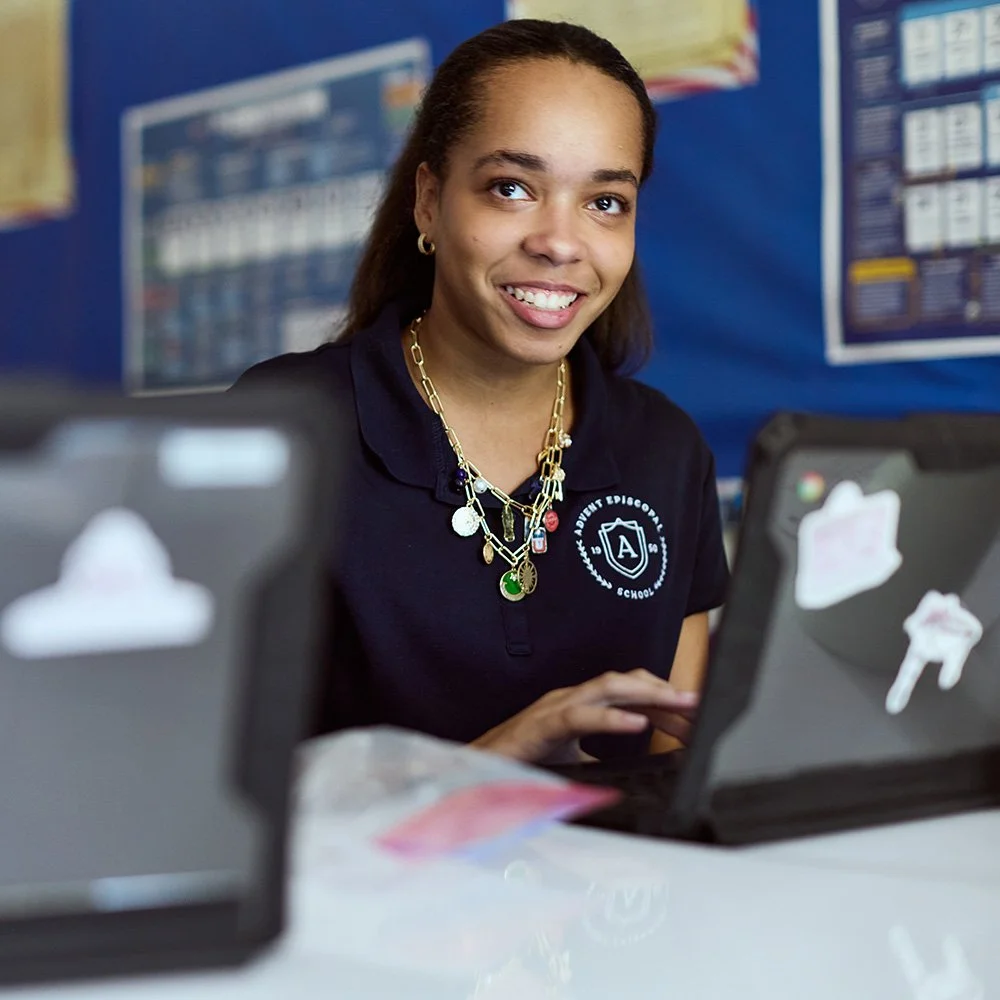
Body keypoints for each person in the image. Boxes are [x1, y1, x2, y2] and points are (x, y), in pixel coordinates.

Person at [233, 19, 730, 764]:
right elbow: (207, 781)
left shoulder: (664, 448)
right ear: (430, 201)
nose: (560, 242)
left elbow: (674, 760)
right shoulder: (279, 429)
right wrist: (498, 760)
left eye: (605, 202)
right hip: (362, 881)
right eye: (512, 188)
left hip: (617, 880)